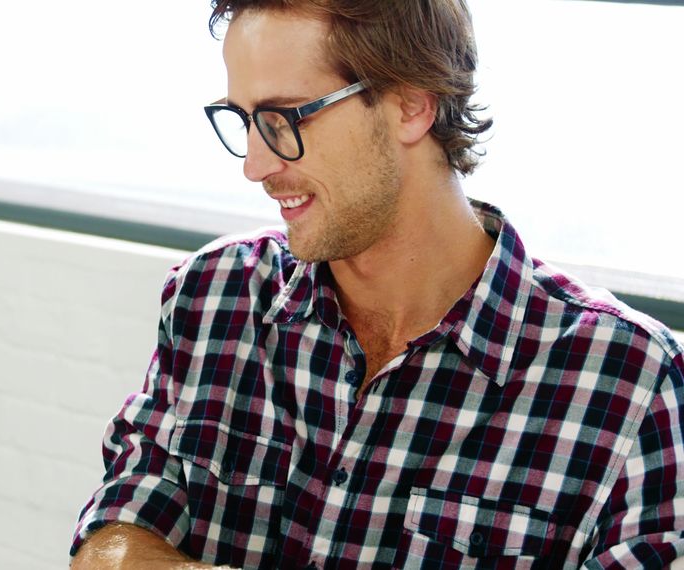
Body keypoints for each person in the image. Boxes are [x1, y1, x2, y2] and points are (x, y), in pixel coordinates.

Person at [69, 1, 684, 568]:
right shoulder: (213, 294)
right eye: (243, 120)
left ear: (411, 105)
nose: (255, 165)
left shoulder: (632, 383)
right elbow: (115, 529)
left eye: (282, 119)